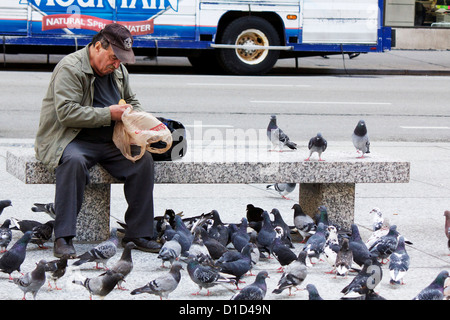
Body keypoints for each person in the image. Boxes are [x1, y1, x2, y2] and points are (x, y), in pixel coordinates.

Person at [35, 23, 161, 258]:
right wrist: (108, 114)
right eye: (113, 58)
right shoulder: (71, 68)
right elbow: (66, 112)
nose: (116, 64)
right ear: (96, 47)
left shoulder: (118, 70)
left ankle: (138, 233)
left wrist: (141, 121)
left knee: (142, 160)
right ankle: (63, 237)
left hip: (111, 140)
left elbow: (132, 101)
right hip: (72, 138)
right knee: (73, 163)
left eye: (120, 60)